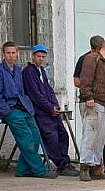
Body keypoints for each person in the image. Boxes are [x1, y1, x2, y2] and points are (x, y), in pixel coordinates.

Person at [0, 42, 56, 179]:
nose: (11, 56)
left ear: (18, 53)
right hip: (11, 109)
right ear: (3, 53)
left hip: (24, 107)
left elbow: (25, 91)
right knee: (26, 138)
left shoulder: (19, 70)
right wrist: (7, 111)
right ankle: (39, 170)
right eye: (8, 53)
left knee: (36, 135)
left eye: (13, 53)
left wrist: (29, 107)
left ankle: (22, 169)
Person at [21, 44, 78, 177]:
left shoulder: (42, 71)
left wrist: (55, 106)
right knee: (50, 136)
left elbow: (49, 90)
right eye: (38, 56)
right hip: (40, 111)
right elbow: (35, 94)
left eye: (43, 56)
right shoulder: (29, 71)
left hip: (51, 110)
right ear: (33, 56)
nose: (41, 59)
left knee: (63, 134)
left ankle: (65, 161)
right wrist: (49, 108)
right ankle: (60, 164)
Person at [74, 34, 105, 176]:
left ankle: (95, 166)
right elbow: (85, 79)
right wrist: (88, 96)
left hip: (103, 102)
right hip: (93, 102)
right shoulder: (92, 59)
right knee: (90, 134)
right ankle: (85, 166)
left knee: (100, 137)